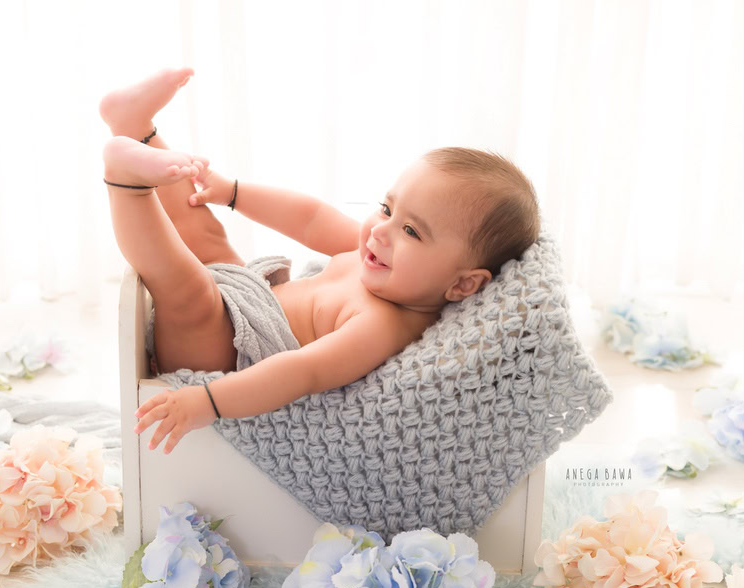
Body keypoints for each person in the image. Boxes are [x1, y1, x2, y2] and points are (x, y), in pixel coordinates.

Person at [100, 68, 539, 453]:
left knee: (188, 289)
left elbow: (302, 372)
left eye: (411, 231)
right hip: (248, 297)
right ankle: (135, 126)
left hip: (229, 357)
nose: (381, 230)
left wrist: (209, 400)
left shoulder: (385, 324)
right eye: (387, 208)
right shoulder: (376, 255)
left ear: (463, 285)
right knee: (206, 234)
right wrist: (231, 191)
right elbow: (309, 218)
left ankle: (125, 182)